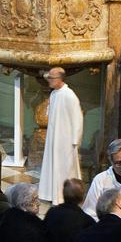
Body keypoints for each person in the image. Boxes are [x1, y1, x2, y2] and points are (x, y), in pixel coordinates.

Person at [38, 68, 83, 205]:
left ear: (60, 79)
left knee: (65, 169)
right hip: (54, 138)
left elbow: (78, 118)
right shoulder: (54, 94)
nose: (49, 80)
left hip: (66, 140)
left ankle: (64, 196)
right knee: (53, 165)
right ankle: (51, 193)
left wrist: (75, 140)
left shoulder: (69, 95)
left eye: (51, 78)